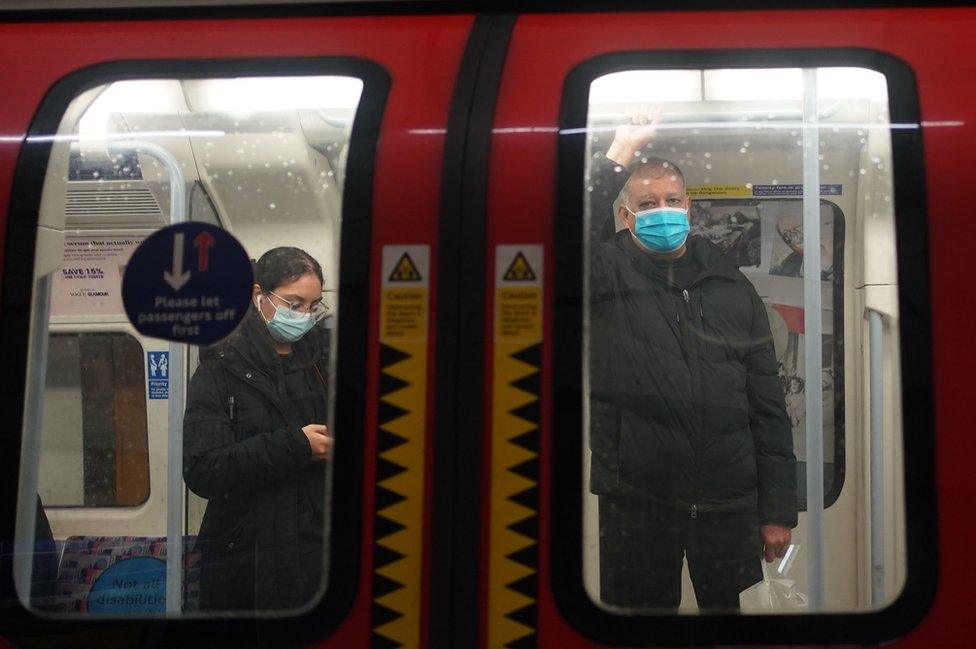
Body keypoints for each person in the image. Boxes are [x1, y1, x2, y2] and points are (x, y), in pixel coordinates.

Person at [587, 111, 797, 610]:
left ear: (689, 205)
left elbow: (767, 403)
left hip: (729, 502)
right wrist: (617, 154)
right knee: (638, 630)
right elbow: (561, 228)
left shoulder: (732, 286)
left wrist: (778, 510)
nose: (663, 210)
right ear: (625, 215)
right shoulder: (605, 273)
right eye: (647, 203)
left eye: (672, 200)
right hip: (638, 502)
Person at [183, 246, 333, 611]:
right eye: (294, 304)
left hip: (313, 551)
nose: (304, 316)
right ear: (258, 296)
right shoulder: (220, 368)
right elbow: (203, 469)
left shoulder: (324, 365)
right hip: (244, 555)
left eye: (313, 307)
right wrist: (296, 446)